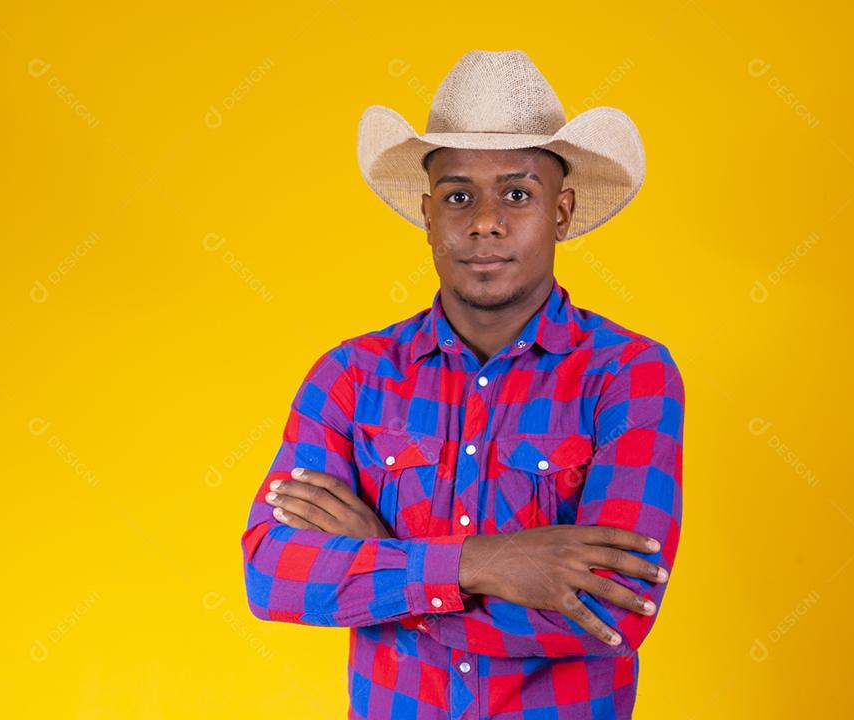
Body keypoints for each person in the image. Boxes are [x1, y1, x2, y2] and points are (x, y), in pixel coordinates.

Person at [240, 49, 684, 720]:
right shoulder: (350, 377)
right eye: (457, 195)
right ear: (426, 214)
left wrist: (385, 566)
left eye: (516, 193)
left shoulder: (630, 374)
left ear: (560, 212)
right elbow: (273, 574)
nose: (484, 221)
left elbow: (612, 611)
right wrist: (477, 563)